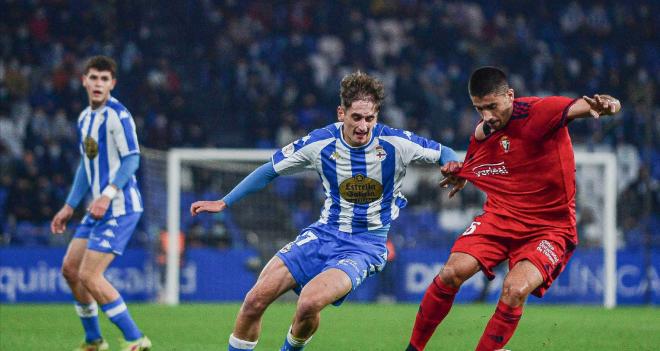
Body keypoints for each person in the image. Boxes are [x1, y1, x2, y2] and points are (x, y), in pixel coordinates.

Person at [190, 71, 462, 351]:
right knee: (254, 300)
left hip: (364, 246)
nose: (363, 126)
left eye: (370, 118)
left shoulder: (396, 143)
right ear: (341, 112)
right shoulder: (319, 143)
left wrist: (452, 166)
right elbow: (269, 170)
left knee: (308, 303)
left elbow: (446, 152)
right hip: (323, 234)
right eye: (356, 117)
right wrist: (226, 201)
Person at [406, 66, 622, 351]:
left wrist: (608, 104)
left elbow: (585, 106)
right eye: (479, 108)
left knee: (515, 289)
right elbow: (479, 161)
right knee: (450, 273)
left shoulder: (540, 112)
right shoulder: (484, 131)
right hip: (500, 216)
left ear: (510, 95)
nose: (487, 116)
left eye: (492, 106)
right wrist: (462, 171)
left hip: (550, 228)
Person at [50, 56, 151, 351]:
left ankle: (137, 340)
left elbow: (132, 158)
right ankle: (94, 340)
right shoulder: (85, 118)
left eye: (104, 79)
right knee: (70, 269)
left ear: (112, 84)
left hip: (120, 207)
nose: (98, 84)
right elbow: (87, 164)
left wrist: (107, 194)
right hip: (98, 207)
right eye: (93, 77)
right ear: (83, 80)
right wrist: (69, 205)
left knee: (90, 275)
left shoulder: (118, 116)